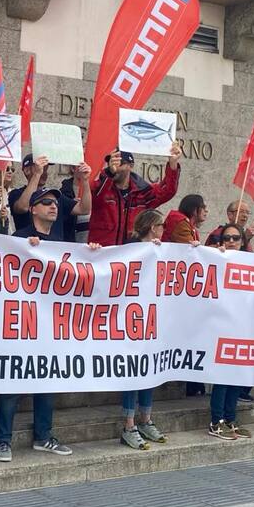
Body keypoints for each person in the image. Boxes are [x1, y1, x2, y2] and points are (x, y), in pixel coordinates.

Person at [0, 188, 95, 462]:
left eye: (56, 203)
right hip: (21, 324)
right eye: (46, 203)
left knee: (47, 383)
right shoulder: (19, 238)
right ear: (33, 209)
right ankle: (2, 440)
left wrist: (92, 254)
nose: (53, 207)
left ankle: (43, 436)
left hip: (49, 326)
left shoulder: (60, 241)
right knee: (12, 385)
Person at [119, 210, 168, 450]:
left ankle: (146, 419)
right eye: (162, 225)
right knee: (132, 373)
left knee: (148, 371)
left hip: (150, 320)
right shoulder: (131, 247)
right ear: (152, 227)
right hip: (130, 319)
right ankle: (129, 425)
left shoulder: (161, 249)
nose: (164, 230)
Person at [208, 223, 252, 441]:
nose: (232, 241)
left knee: (236, 376)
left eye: (236, 238)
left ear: (242, 241)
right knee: (223, 378)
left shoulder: (252, 261)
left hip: (242, 327)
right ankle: (216, 421)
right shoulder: (217, 258)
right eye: (227, 238)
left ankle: (230, 418)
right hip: (221, 327)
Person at [88, 146, 181, 247]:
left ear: (131, 166)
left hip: (131, 256)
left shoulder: (142, 192)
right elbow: (95, 195)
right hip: (102, 255)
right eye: (112, 162)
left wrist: (173, 164)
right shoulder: (103, 187)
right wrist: (109, 173)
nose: (115, 167)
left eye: (120, 163)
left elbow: (167, 191)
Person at [11, 154, 91, 238]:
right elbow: (23, 207)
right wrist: (37, 174)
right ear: (27, 171)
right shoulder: (16, 194)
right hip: (28, 247)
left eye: (46, 170)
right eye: (41, 169)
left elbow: (84, 209)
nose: (44, 173)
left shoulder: (55, 195)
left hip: (54, 248)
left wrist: (85, 180)